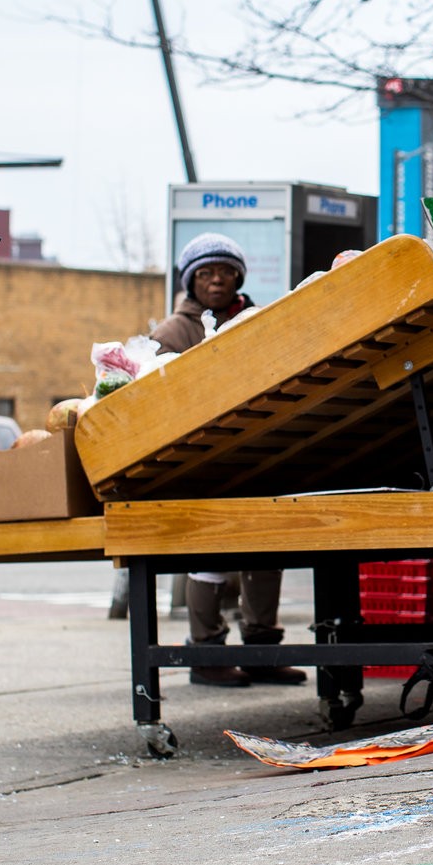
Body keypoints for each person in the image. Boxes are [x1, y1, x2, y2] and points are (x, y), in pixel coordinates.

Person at [151, 233, 305, 689]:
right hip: (202, 459)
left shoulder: (258, 320)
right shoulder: (173, 333)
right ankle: (207, 653)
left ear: (238, 276)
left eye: (223, 272)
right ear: (190, 282)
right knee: (211, 555)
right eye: (204, 273)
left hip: (257, 452)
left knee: (266, 550)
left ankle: (262, 649)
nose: (215, 280)